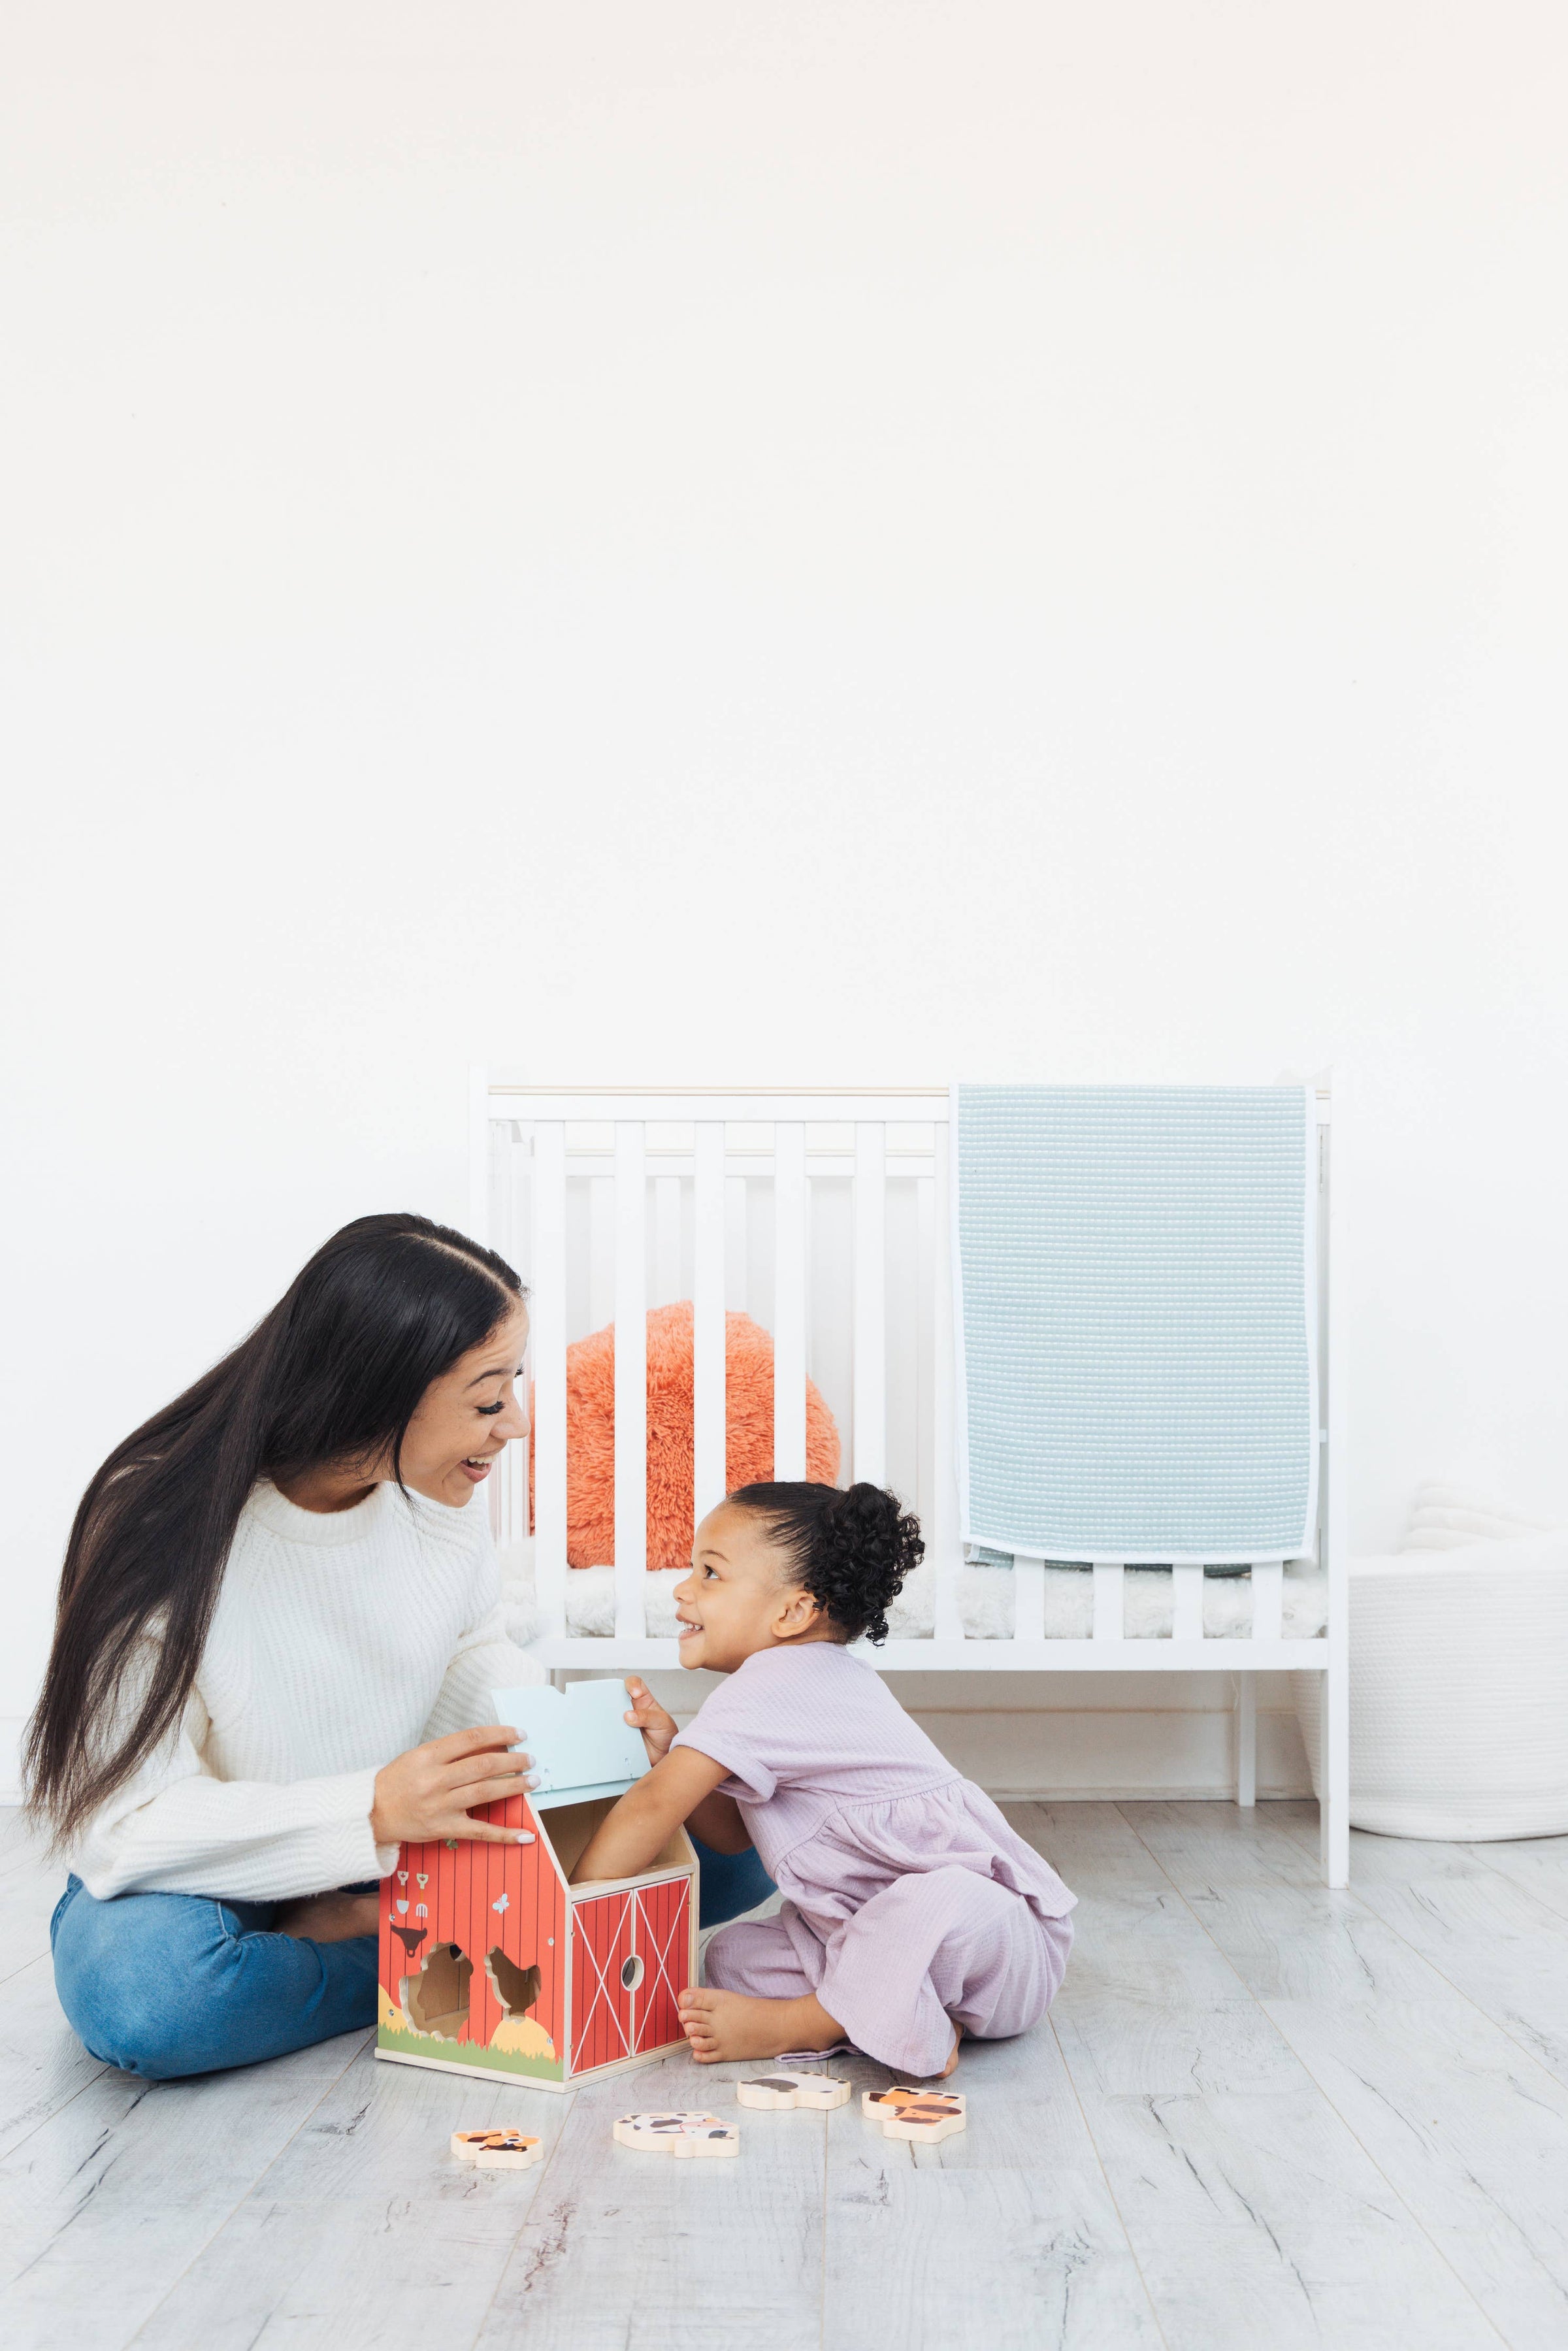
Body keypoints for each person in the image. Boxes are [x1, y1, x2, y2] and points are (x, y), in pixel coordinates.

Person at [27, 1212, 772, 2080]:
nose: (518, 1425)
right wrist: (369, 1814)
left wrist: (602, 1754)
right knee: (148, 1992)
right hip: (217, 1860)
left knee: (736, 1854)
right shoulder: (156, 1521)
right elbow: (123, 1826)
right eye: (491, 1398)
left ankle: (394, 1935)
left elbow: (473, 1664)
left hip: (401, 1843)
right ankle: (441, 1957)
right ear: (380, 1390)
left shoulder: (439, 1504)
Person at [572, 1481, 1076, 2079]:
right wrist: (669, 1755)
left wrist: (571, 1904)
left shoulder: (774, 1683)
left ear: (791, 1612)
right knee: (731, 1958)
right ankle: (913, 2020)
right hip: (871, 1946)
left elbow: (652, 1807)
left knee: (931, 1896)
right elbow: (734, 1836)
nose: (683, 1589)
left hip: (997, 1945)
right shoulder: (791, 1682)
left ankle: (807, 2023)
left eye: (710, 1574)